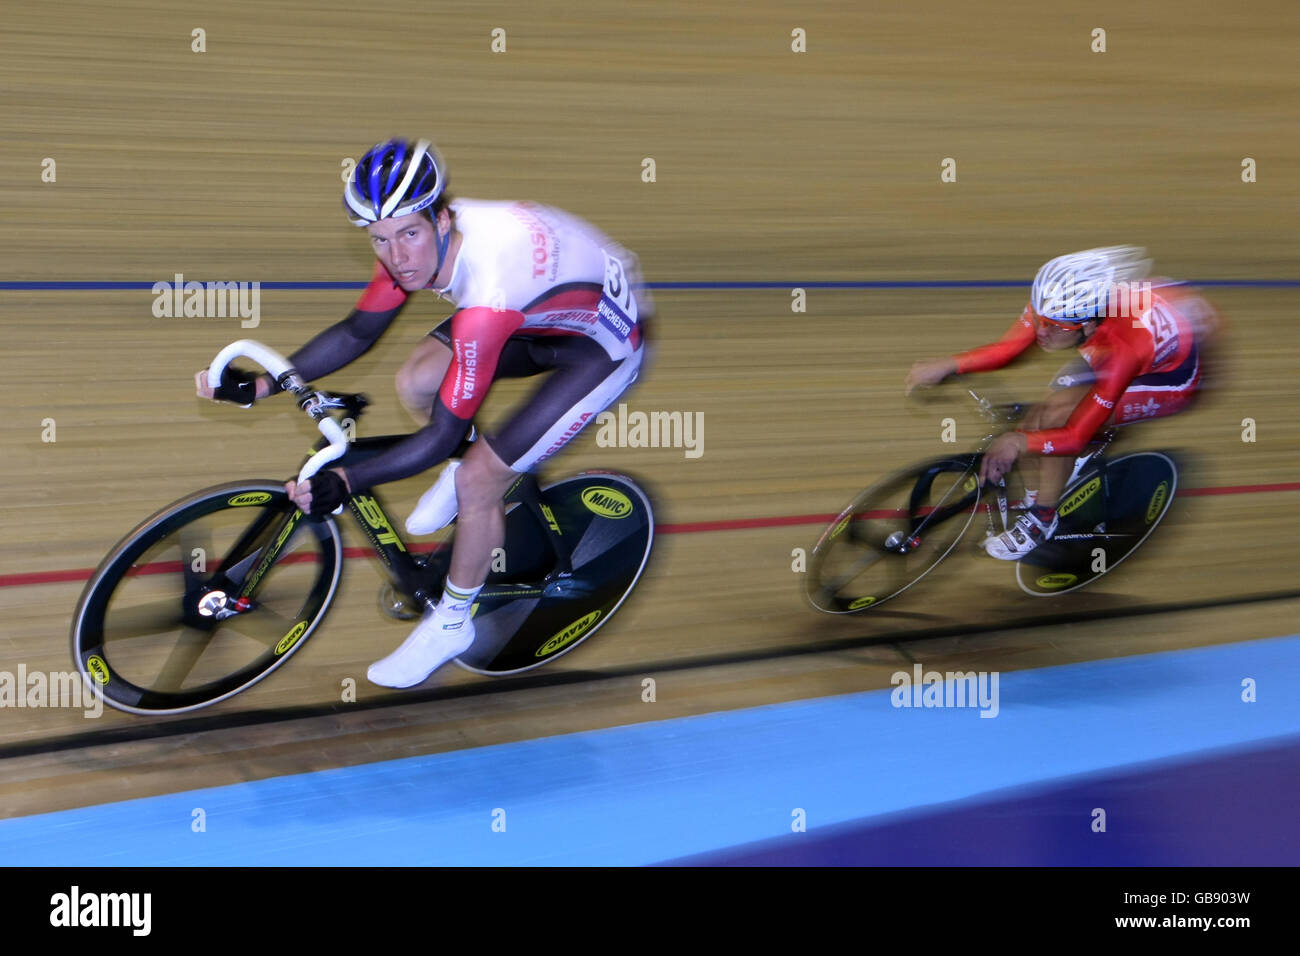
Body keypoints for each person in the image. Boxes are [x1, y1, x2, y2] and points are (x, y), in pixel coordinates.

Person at [196, 138, 651, 686]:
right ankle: (473, 474)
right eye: (379, 240)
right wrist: (265, 384)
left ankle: (453, 619)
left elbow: (438, 436)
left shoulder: (487, 296)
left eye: (408, 235)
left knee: (480, 479)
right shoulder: (415, 243)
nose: (396, 257)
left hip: (598, 348)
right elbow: (358, 331)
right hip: (540, 313)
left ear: (442, 219)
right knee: (416, 378)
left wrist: (346, 479)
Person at [904, 246, 1218, 560]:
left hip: (1172, 379)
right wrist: (950, 364)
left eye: (1056, 327)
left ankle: (1042, 519)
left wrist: (1020, 442)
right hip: (1150, 329)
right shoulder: (1058, 298)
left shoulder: (1124, 347)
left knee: (1059, 419)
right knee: (1041, 418)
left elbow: (1074, 434)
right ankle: (1056, 480)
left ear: (1090, 324)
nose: (1042, 331)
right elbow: (1011, 348)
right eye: (1041, 318)